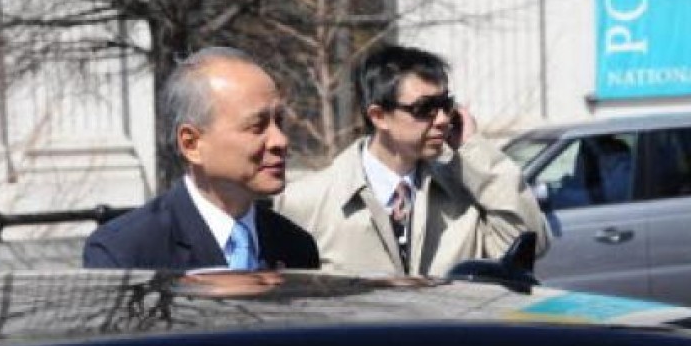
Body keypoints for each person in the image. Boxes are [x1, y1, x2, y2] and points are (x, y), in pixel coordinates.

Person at [274, 44, 549, 276]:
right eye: (425, 109)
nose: (441, 119)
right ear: (379, 116)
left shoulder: (466, 193)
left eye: (445, 105)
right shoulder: (306, 202)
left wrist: (475, 150)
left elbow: (529, 245)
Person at [84, 47, 320, 271]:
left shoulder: (297, 248)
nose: (280, 141)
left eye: (278, 122)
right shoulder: (125, 253)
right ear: (191, 143)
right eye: (257, 126)